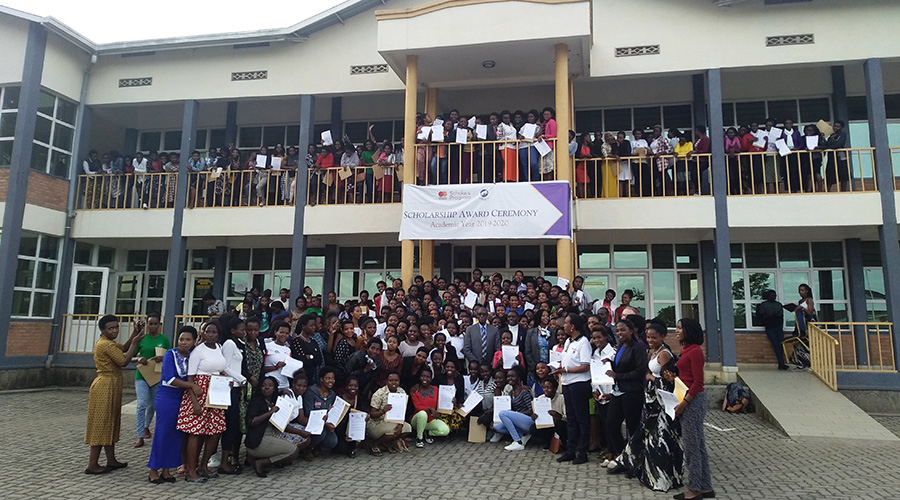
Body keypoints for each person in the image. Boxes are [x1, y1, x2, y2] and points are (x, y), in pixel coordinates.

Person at [611, 322, 684, 493]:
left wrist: (651, 377)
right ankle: (648, 471)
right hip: (650, 399)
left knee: (660, 439)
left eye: (654, 337)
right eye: (649, 337)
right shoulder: (652, 352)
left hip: (661, 401)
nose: (650, 340)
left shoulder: (665, 354)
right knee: (650, 439)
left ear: (663, 337)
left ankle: (664, 477)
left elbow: (669, 380)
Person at [84, 315, 145, 475]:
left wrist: (134, 333)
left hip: (112, 385)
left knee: (110, 421)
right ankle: (92, 464)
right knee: (101, 423)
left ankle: (111, 460)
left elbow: (123, 349)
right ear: (103, 330)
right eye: (110, 328)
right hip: (105, 385)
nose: (115, 331)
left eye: (116, 327)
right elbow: (123, 361)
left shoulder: (109, 343)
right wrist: (135, 343)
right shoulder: (105, 345)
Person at [664, 318, 714, 500]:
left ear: (688, 331)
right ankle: (705, 486)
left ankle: (694, 489)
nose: (676, 331)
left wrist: (684, 404)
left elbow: (698, 382)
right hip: (687, 397)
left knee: (692, 447)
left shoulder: (695, 352)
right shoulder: (687, 350)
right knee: (698, 445)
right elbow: (686, 378)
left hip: (693, 401)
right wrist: (673, 379)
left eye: (679, 328)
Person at [176, 321, 227, 483]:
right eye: (208, 331)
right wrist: (194, 402)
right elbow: (190, 377)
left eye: (214, 332)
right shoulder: (198, 351)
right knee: (195, 431)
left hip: (216, 391)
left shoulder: (219, 348)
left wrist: (226, 380)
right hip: (199, 391)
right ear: (202, 333)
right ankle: (191, 470)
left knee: (216, 430)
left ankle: (203, 466)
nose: (211, 335)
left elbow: (219, 368)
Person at [147, 326, 199, 484]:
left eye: (188, 340)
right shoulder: (170, 354)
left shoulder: (192, 356)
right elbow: (170, 379)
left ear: (194, 342)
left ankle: (166, 470)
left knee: (176, 434)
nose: (184, 342)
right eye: (181, 339)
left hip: (182, 398)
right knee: (163, 433)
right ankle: (153, 470)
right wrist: (191, 386)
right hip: (167, 397)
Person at [605, 318, 650, 470]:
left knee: (633, 427)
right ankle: (622, 455)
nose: (620, 333)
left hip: (632, 392)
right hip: (619, 392)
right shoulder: (620, 347)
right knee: (611, 425)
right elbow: (619, 367)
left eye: (623, 330)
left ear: (632, 331)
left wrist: (617, 376)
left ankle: (635, 460)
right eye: (617, 331)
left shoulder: (637, 348)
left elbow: (639, 372)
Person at [551, 313, 592, 465]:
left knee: (582, 419)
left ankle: (582, 452)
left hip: (579, 384)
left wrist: (566, 370)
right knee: (571, 418)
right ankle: (570, 450)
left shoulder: (583, 342)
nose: (564, 326)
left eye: (566, 323)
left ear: (573, 326)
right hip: (567, 383)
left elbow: (585, 366)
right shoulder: (568, 341)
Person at [244, 376, 301, 477]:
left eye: (270, 386)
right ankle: (261, 463)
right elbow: (251, 422)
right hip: (259, 439)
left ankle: (266, 460)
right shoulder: (256, 402)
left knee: (298, 442)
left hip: (272, 434)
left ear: (274, 388)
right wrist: (270, 412)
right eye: (263, 385)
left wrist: (283, 391)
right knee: (293, 451)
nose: (266, 388)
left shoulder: (274, 400)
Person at [132, 312, 170, 448]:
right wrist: (138, 359)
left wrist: (163, 357)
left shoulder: (164, 340)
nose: (152, 327)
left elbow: (170, 357)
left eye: (155, 324)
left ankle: (146, 426)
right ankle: (140, 435)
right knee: (141, 403)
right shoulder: (141, 338)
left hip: (156, 376)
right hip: (142, 375)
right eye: (150, 324)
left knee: (153, 405)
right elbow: (129, 355)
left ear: (159, 325)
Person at [217, 318, 248, 475]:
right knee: (230, 425)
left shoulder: (238, 343)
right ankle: (223, 461)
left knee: (234, 424)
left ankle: (227, 458)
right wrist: (241, 378)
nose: (244, 332)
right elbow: (225, 366)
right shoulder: (230, 344)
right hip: (230, 387)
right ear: (232, 330)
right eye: (241, 329)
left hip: (236, 387)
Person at [367, 371, 413, 455]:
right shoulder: (379, 393)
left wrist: (400, 424)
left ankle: (388, 442)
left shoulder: (401, 392)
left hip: (394, 421)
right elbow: (372, 414)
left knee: (408, 428)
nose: (394, 383)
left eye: (396, 380)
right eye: (391, 380)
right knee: (393, 431)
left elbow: (402, 411)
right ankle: (375, 444)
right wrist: (383, 411)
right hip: (377, 423)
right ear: (386, 381)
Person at [493, 365, 534, 451]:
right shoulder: (511, 393)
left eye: (513, 376)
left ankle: (517, 442)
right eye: (508, 376)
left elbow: (531, 410)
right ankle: (522, 435)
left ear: (519, 378)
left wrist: (517, 414)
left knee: (503, 413)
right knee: (496, 426)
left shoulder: (524, 392)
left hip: (528, 421)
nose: (509, 378)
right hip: (519, 421)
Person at [409, 366, 450, 448]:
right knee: (423, 413)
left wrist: (451, 400)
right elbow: (417, 406)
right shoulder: (414, 390)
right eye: (423, 376)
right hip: (417, 419)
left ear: (431, 379)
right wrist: (429, 409)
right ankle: (419, 438)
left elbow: (442, 401)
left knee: (445, 430)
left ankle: (427, 432)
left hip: (430, 419)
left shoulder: (435, 389)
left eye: (428, 377)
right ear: (419, 377)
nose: (425, 379)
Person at [303, 368, 338, 454]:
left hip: (325, 424)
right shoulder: (311, 392)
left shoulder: (332, 394)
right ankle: (307, 450)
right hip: (311, 423)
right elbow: (308, 412)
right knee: (320, 434)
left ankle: (317, 447)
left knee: (332, 441)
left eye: (333, 378)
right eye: (328, 378)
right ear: (321, 379)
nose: (331, 381)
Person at [333, 377, 370, 458]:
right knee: (341, 449)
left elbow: (365, 413)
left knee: (349, 448)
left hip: (354, 430)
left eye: (355, 386)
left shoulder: (360, 400)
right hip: (340, 430)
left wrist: (367, 416)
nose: (353, 388)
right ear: (346, 387)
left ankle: (353, 445)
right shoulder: (339, 400)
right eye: (350, 385)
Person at [756, 289, 788, 370]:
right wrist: (771, 315)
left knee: (780, 344)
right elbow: (761, 316)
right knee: (775, 344)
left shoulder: (778, 304)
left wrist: (771, 315)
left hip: (778, 327)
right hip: (770, 327)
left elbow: (781, 316)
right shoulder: (763, 305)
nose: (773, 296)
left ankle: (782, 362)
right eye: (771, 295)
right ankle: (781, 362)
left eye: (774, 295)